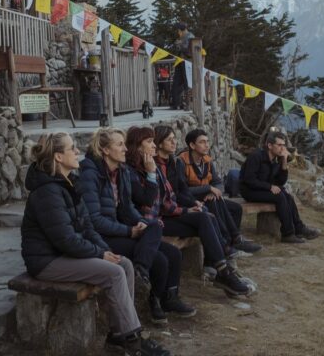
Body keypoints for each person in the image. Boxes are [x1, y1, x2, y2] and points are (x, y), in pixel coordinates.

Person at [21, 132, 171, 356]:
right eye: (72, 148)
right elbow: (65, 240)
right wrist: (100, 255)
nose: (77, 152)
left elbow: (88, 226)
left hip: (64, 253)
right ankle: (133, 341)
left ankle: (119, 332)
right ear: (59, 157)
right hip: (47, 260)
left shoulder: (69, 183)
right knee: (114, 273)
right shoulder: (47, 192)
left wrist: (105, 250)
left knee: (125, 264)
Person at [78, 127, 196, 323]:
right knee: (160, 259)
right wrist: (129, 230)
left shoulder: (121, 171)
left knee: (166, 242)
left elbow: (128, 207)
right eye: (119, 144)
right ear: (105, 150)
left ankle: (163, 294)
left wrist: (141, 222)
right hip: (102, 237)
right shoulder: (90, 174)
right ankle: (152, 297)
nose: (125, 149)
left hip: (121, 229)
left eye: (124, 144)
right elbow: (94, 220)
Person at [125, 126, 251, 297]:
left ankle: (221, 267)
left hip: (165, 215)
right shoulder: (139, 170)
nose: (154, 145)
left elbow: (174, 195)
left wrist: (190, 207)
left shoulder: (169, 163)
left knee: (206, 216)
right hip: (153, 222)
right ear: (137, 146)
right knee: (205, 217)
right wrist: (152, 175)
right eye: (150, 142)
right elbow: (151, 201)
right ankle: (223, 267)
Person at [175, 128, 262, 254]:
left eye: (207, 141)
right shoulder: (181, 162)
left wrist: (213, 191)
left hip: (207, 198)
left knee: (235, 208)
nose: (207, 145)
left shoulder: (207, 160)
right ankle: (227, 242)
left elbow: (218, 182)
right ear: (192, 145)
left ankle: (234, 240)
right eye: (202, 142)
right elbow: (183, 190)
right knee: (214, 203)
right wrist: (209, 188)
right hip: (190, 201)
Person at [240, 131, 320, 244]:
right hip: (249, 191)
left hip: (263, 189)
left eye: (284, 145)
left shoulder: (276, 160)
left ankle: (299, 229)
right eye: (280, 145)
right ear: (269, 145)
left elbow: (280, 182)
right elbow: (249, 180)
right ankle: (287, 234)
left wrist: (284, 162)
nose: (282, 148)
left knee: (288, 196)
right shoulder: (256, 156)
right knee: (280, 197)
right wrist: (269, 187)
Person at [168, 22, 193, 109]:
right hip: (180, 61)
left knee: (186, 83)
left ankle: (187, 104)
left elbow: (188, 51)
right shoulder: (182, 37)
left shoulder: (189, 36)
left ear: (180, 30)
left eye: (177, 30)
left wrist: (179, 44)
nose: (177, 32)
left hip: (186, 62)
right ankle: (176, 103)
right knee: (177, 82)